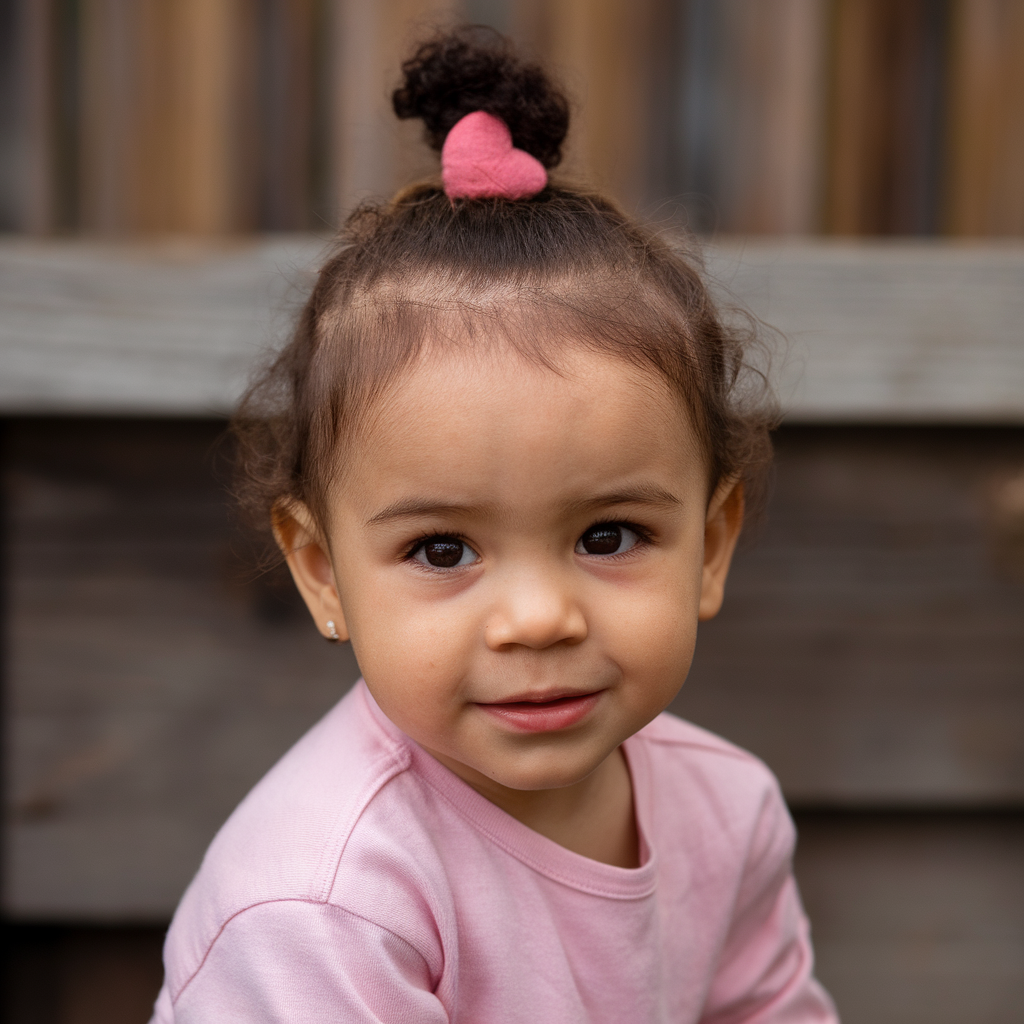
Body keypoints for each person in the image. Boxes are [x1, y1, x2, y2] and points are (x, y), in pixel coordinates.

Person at [151, 28, 838, 1024]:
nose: (536, 617)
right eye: (442, 550)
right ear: (322, 571)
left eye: (607, 535)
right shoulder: (322, 907)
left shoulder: (726, 813)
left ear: (712, 540)